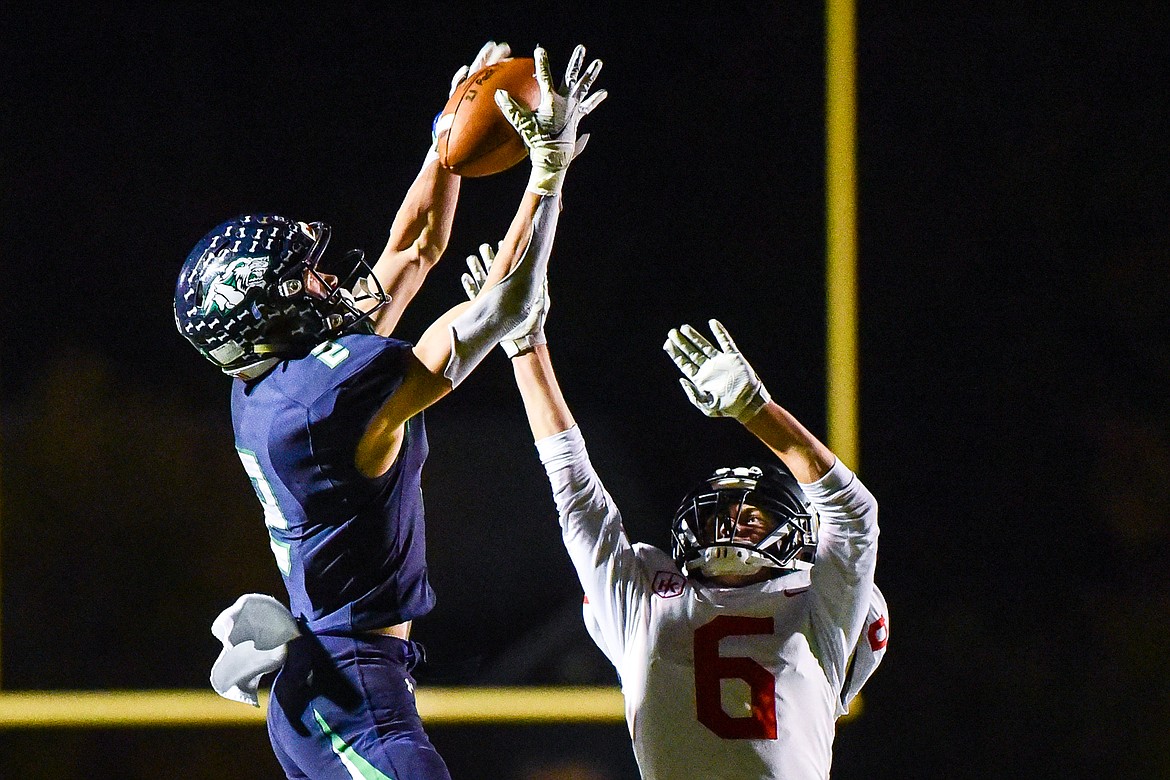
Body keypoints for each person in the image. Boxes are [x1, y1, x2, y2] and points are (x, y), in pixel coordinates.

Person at [173, 43, 606, 780]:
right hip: (352, 695)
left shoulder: (271, 383)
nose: (322, 279)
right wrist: (547, 174)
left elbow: (413, 247)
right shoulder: (325, 402)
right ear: (267, 315)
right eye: (300, 278)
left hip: (337, 679)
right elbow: (503, 307)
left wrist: (445, 145)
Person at [461, 249, 888, 778]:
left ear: (796, 531)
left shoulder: (820, 607)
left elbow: (853, 513)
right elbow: (576, 496)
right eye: (720, 515)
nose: (732, 523)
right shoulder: (643, 602)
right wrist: (526, 349)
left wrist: (757, 412)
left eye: (753, 514)